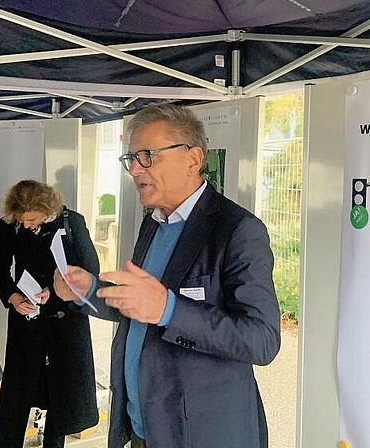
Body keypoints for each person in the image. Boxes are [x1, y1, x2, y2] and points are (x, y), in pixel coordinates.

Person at [54, 103, 281, 448]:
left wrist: (170, 310)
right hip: (142, 427)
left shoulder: (237, 230)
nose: (135, 170)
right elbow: (141, 308)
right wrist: (89, 290)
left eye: (146, 156)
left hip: (201, 434)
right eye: (130, 159)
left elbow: (261, 341)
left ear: (192, 159)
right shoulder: (154, 222)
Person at [0, 180, 99, 448]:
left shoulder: (72, 223)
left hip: (65, 321)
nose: (26, 225)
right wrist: (13, 297)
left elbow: (90, 270)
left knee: (61, 395)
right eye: (22, 220)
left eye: (31, 219)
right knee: (16, 394)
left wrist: (55, 291)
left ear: (46, 209)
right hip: (27, 319)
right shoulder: (11, 226)